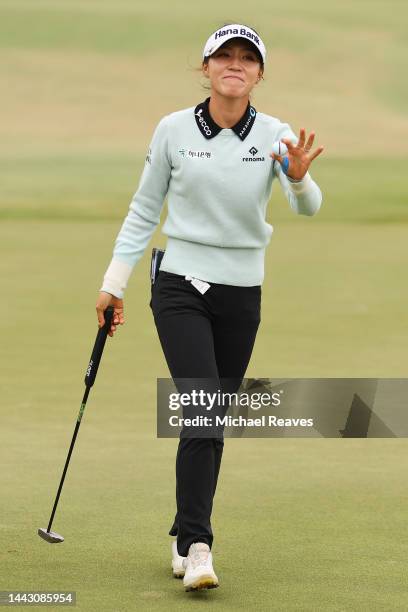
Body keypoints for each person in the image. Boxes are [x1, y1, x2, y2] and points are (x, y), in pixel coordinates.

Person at [95, 22, 323, 592]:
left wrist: (297, 179)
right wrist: (113, 283)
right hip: (179, 285)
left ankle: (180, 529)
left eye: (247, 59)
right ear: (205, 67)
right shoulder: (174, 129)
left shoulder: (274, 135)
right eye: (225, 56)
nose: (235, 65)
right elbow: (144, 211)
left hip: (242, 292)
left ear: (259, 74)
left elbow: (309, 207)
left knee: (211, 419)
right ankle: (198, 545)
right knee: (200, 405)